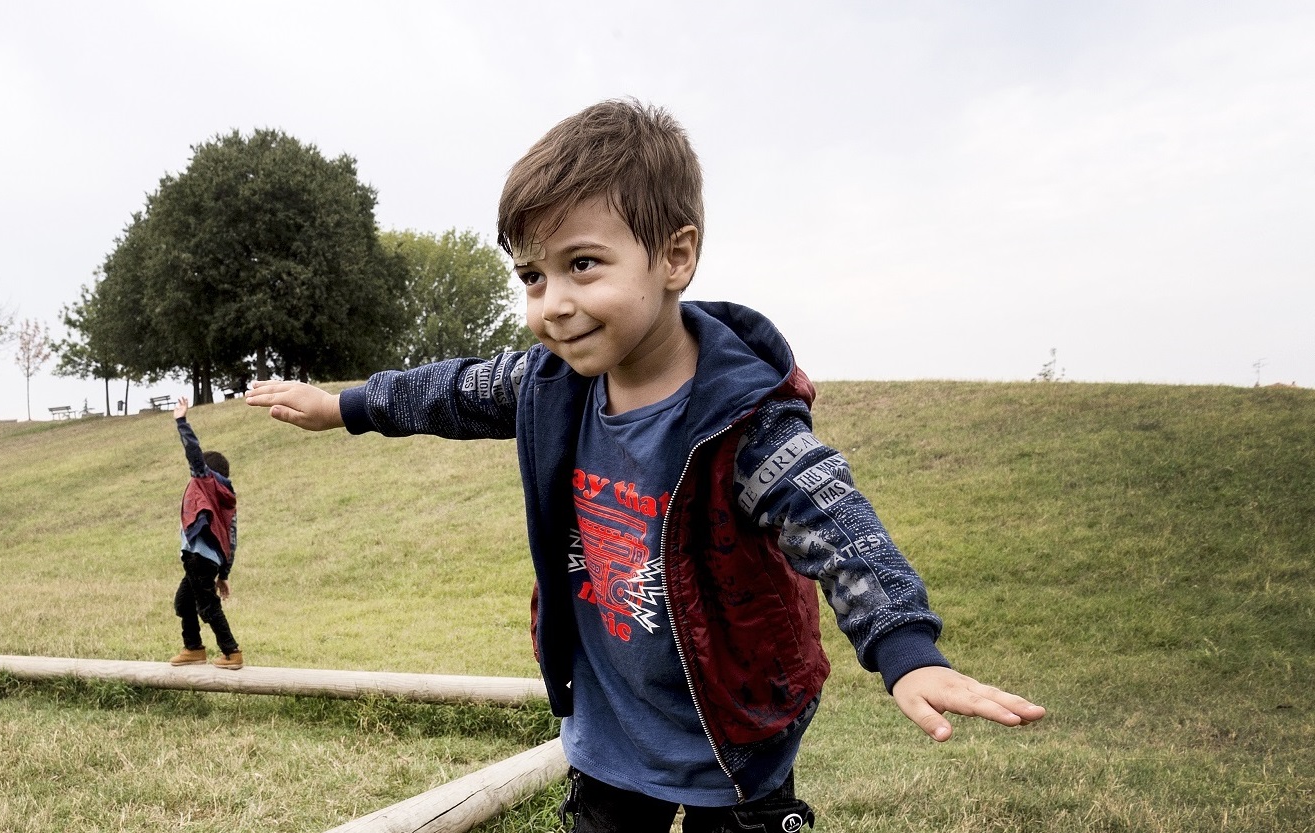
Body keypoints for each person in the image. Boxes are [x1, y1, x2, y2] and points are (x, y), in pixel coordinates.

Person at [245, 99, 1043, 832]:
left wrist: (906, 650)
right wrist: (346, 406)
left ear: (674, 255)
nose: (550, 301)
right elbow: (451, 390)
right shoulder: (548, 384)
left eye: (581, 264)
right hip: (610, 729)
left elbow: (838, 526)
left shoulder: (744, 422)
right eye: (532, 274)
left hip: (734, 732)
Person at [168, 396, 242, 670]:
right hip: (205, 560)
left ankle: (232, 652)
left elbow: (194, 453)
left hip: (199, 558)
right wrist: (223, 575)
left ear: (207, 472)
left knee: (207, 607)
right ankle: (194, 648)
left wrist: (181, 420)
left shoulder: (204, 481)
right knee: (184, 603)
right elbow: (231, 540)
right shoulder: (227, 498)